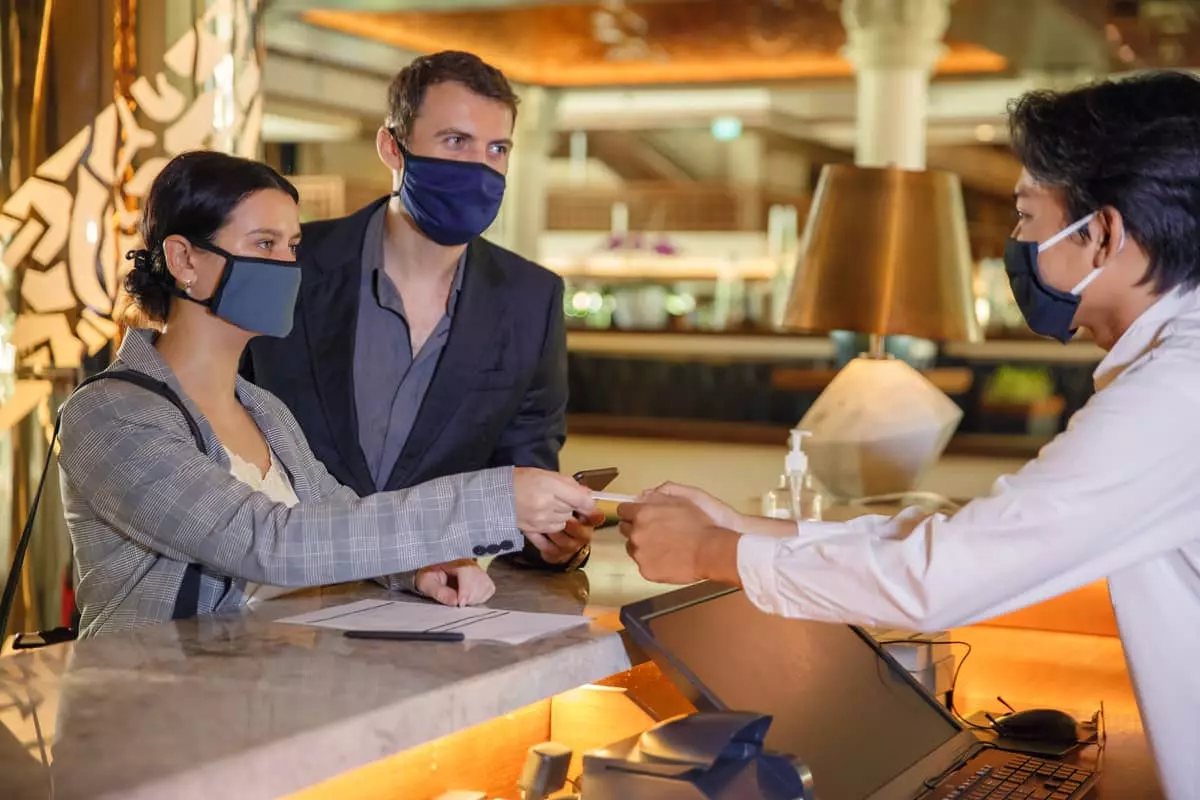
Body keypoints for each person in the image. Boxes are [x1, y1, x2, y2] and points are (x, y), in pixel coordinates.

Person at [616, 71, 1200, 799]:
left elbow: (944, 577)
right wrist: (746, 527)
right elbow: (979, 537)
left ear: (1103, 233)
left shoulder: (1177, 392)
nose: (1016, 244)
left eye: (1026, 218)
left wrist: (712, 551)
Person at [57, 150, 596, 638]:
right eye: (263, 244)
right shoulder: (111, 415)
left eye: (292, 247)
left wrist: (419, 565)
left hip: (259, 701)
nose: (288, 267)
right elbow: (267, 542)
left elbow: (336, 515)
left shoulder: (262, 409)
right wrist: (493, 501)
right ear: (184, 261)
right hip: (148, 717)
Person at [242, 50, 598, 599]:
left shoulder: (532, 299)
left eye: (497, 149)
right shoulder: (288, 265)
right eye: (456, 142)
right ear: (392, 148)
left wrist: (558, 542)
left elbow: (522, 480)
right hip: (267, 606)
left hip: (431, 616)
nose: (479, 168)